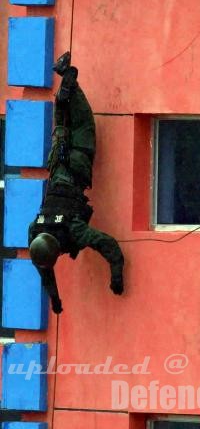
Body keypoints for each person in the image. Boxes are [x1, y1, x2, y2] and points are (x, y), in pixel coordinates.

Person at [29, 52, 124, 314]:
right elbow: (45, 271)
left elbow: (108, 244)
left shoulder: (72, 231)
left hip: (77, 161)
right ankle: (65, 86)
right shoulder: (35, 233)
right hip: (57, 161)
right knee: (62, 125)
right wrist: (55, 301)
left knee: (83, 122)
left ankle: (70, 77)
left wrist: (117, 275)